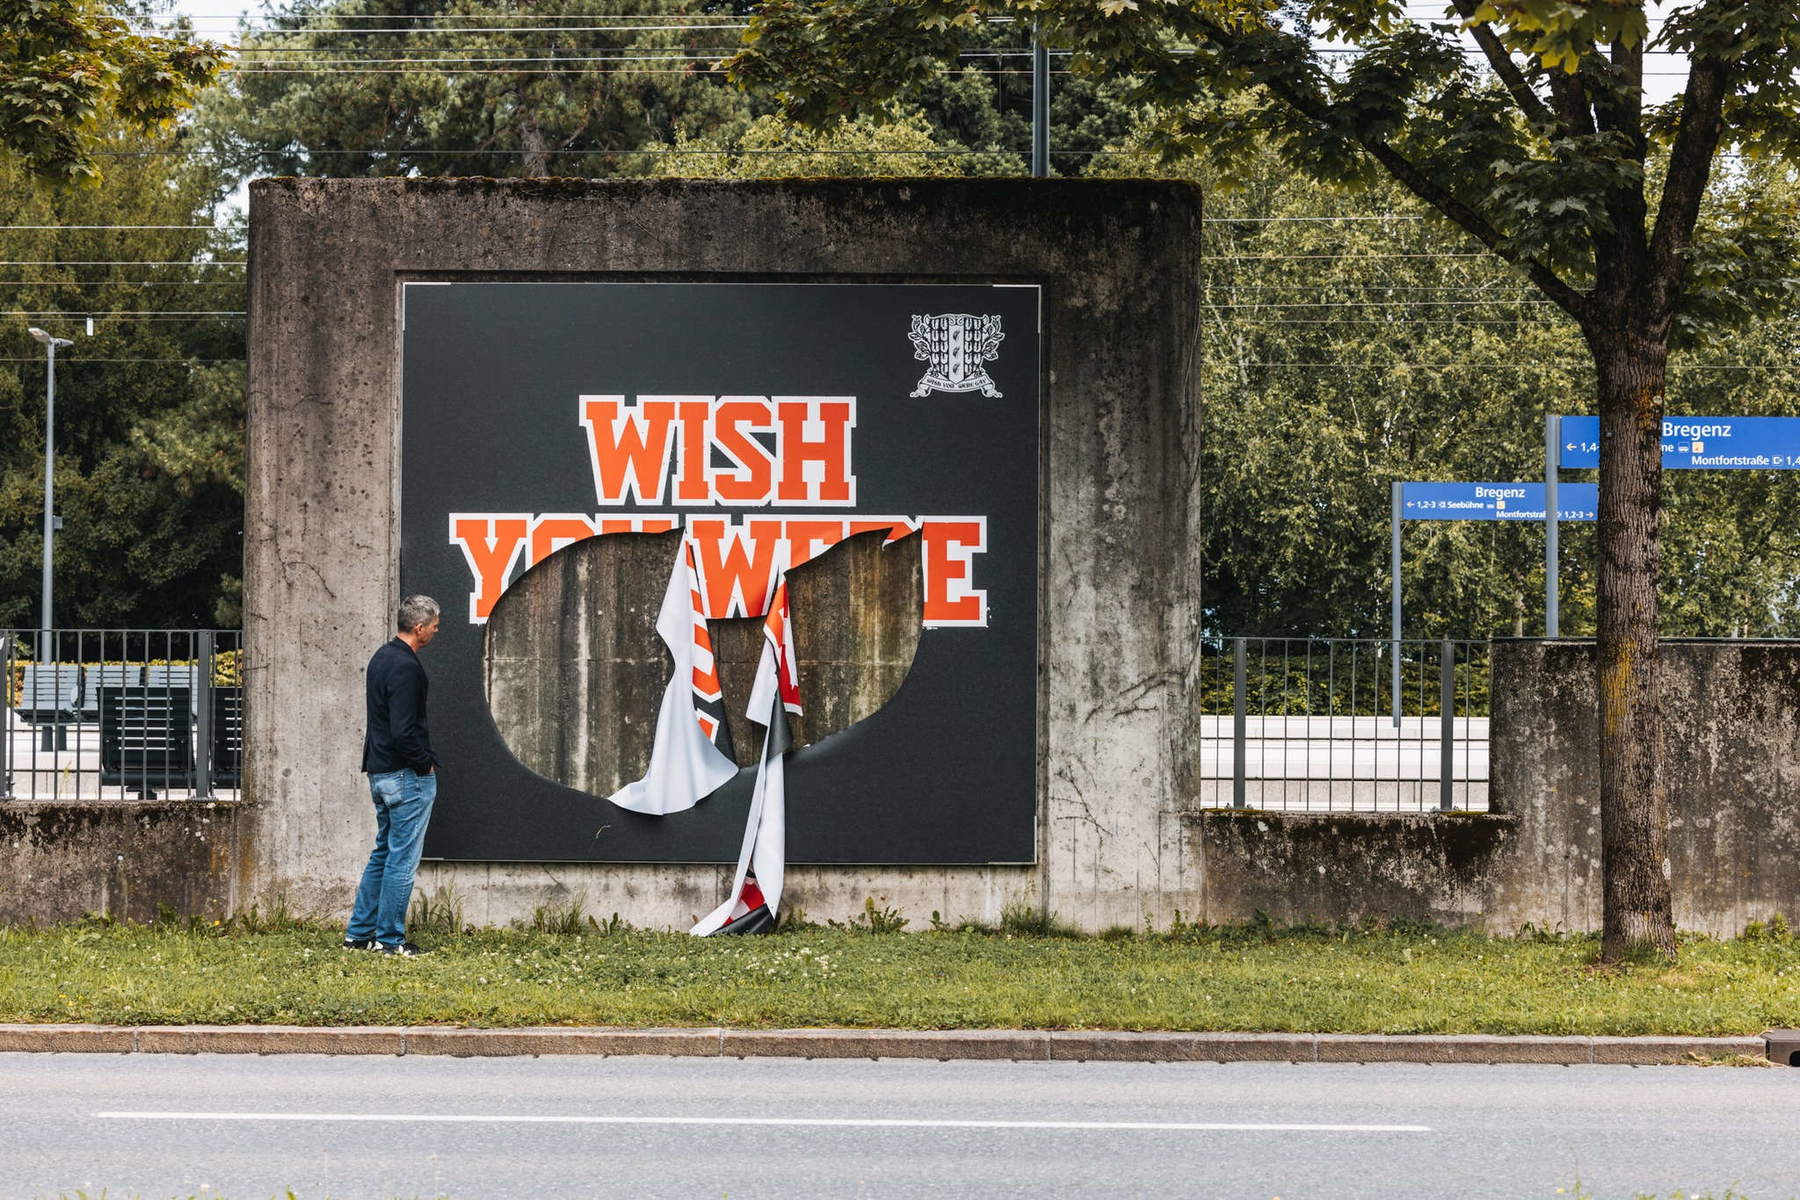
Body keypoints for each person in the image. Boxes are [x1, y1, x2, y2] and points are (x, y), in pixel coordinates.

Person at [343, 594, 441, 956]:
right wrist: (424, 763)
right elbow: (403, 730)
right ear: (419, 628)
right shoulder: (406, 667)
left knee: (383, 852)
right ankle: (389, 940)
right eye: (433, 626)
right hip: (405, 777)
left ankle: (359, 935)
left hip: (380, 772)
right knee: (402, 858)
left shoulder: (381, 658)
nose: (435, 631)